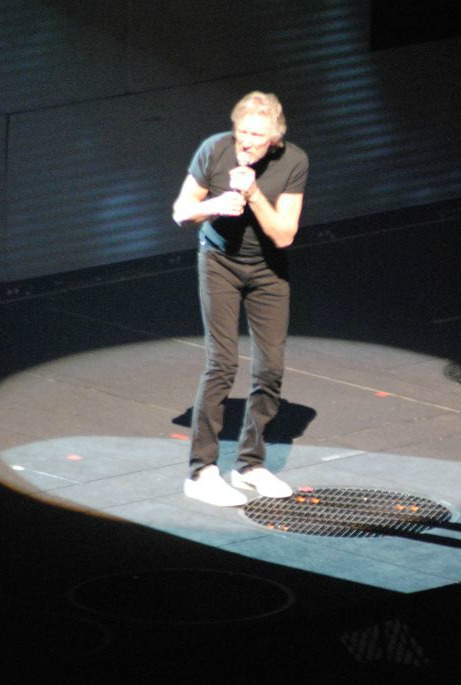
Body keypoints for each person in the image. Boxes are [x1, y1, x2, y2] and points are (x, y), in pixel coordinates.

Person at [172, 91, 308, 506]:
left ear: (274, 140)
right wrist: (215, 204)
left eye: (256, 136)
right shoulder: (214, 150)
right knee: (223, 363)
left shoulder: (293, 161)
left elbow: (284, 234)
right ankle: (201, 472)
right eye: (242, 132)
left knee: (270, 368)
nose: (246, 142)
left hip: (268, 271)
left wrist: (253, 196)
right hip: (219, 263)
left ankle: (249, 465)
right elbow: (181, 212)